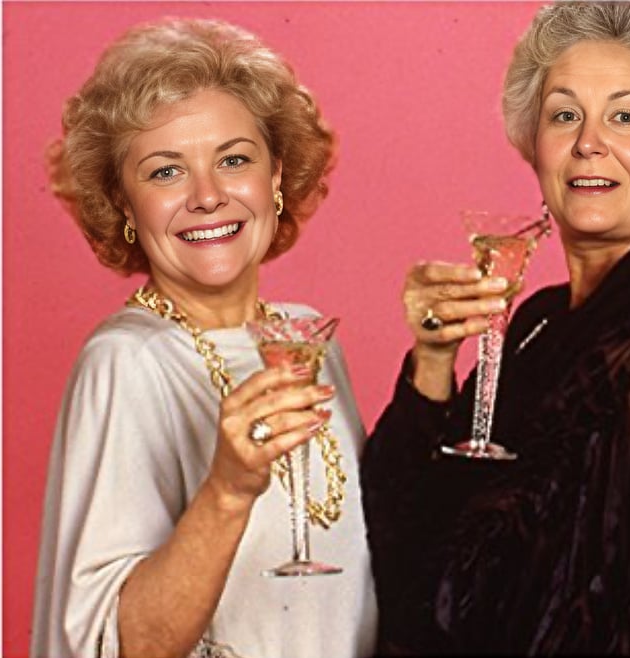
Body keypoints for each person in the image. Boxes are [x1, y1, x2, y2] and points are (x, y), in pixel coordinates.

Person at [361, 3, 630, 654]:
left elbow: (551, 595)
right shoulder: (537, 321)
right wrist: (432, 362)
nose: (588, 143)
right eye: (564, 115)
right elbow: (381, 546)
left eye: (625, 116)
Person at [31, 19, 377, 658]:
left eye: (234, 160)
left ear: (276, 177)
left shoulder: (310, 341)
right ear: (124, 205)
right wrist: (228, 490)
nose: (208, 196)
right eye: (166, 172)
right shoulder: (127, 361)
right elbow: (119, 644)